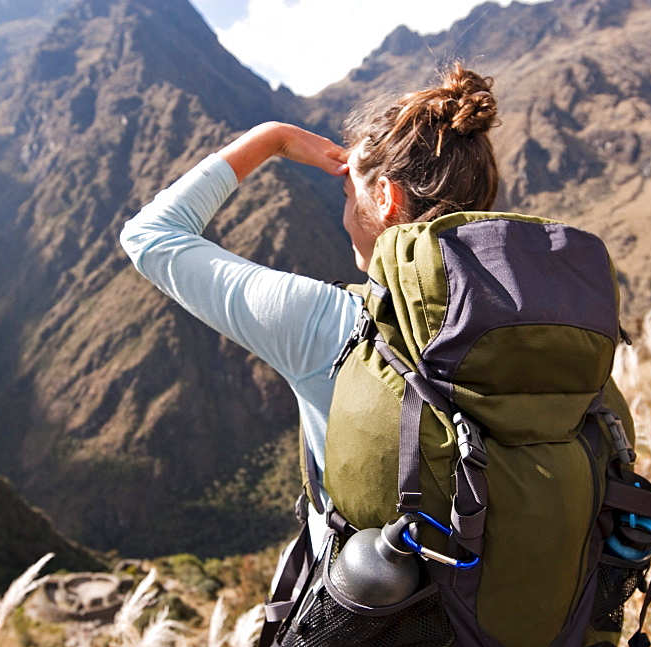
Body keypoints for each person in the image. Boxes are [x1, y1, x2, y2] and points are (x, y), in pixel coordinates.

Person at [119, 64, 500, 545]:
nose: (345, 214)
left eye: (348, 194)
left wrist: (270, 138)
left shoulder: (329, 326)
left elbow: (149, 236)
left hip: (384, 614)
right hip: (535, 611)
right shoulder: (535, 315)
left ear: (384, 197)